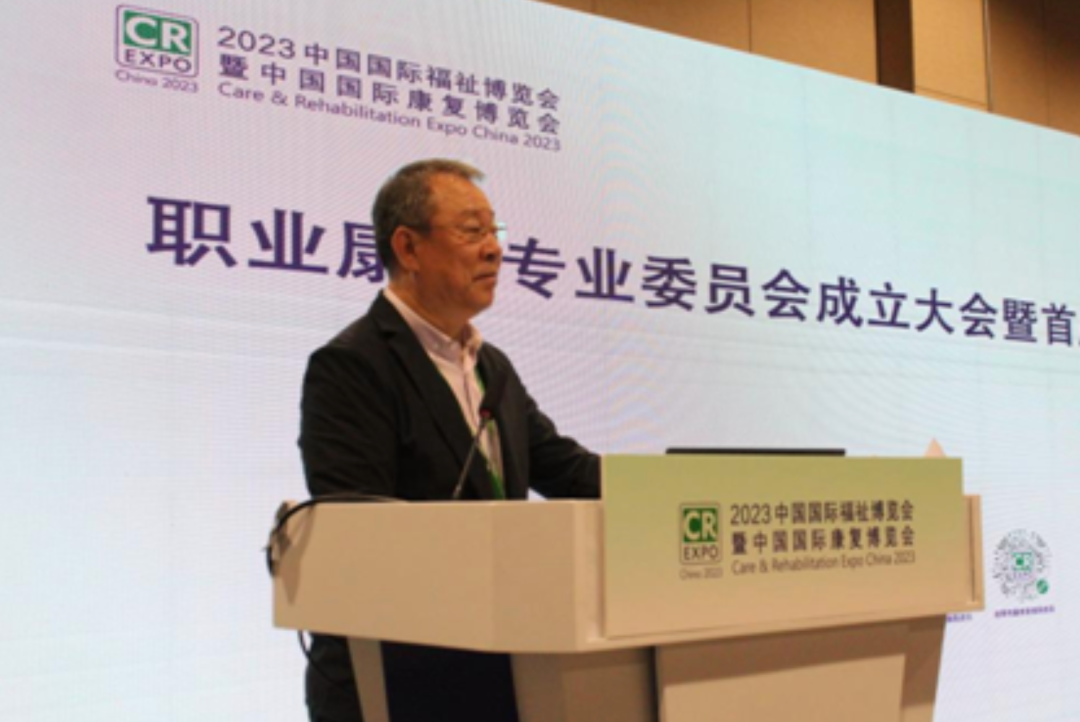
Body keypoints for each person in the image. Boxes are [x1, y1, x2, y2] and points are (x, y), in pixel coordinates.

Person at [298, 158, 600, 722]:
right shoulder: (351, 366)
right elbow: (358, 526)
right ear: (408, 248)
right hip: (389, 680)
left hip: (491, 667)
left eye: (495, 230)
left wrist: (664, 495)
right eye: (472, 230)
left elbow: (566, 469)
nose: (494, 249)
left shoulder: (490, 366)